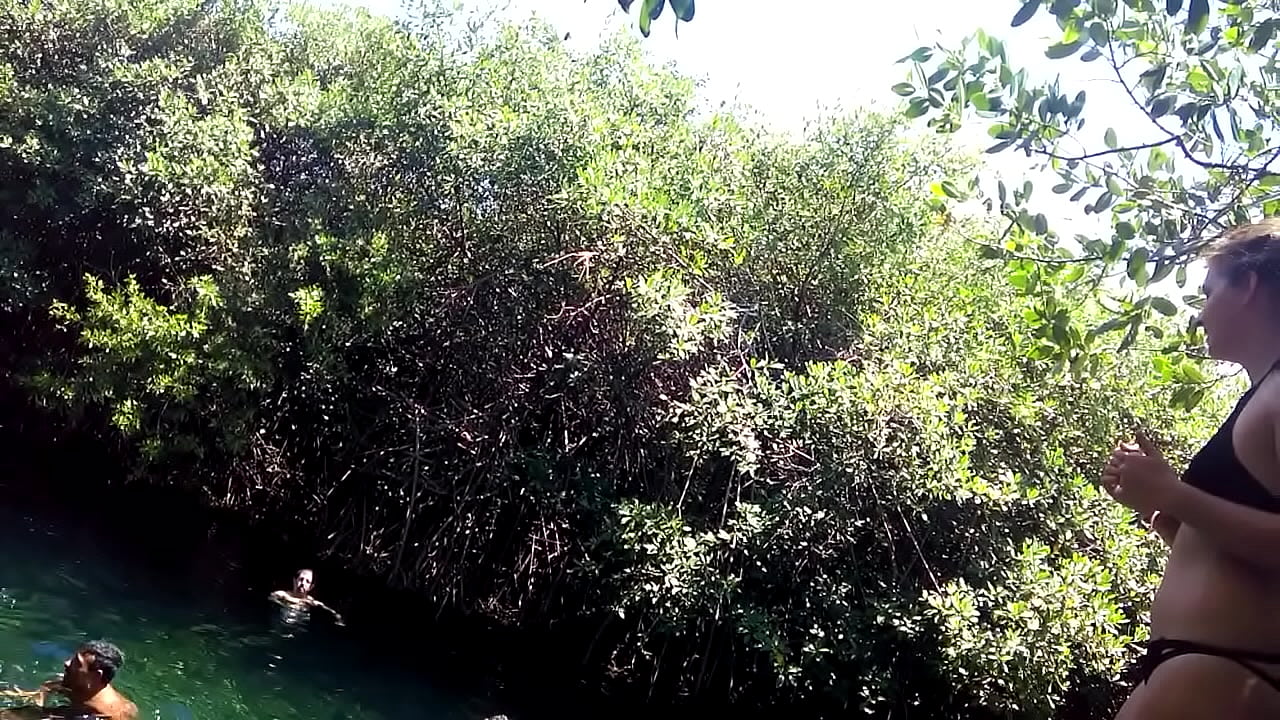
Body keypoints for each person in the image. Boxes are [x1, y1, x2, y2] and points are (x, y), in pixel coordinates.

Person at [1103, 219, 1280, 719]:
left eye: (1207, 294)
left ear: (1247, 286)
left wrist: (1174, 494)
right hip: (1204, 672)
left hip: (1222, 674)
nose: (1199, 317)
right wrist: (1165, 514)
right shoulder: (1261, 396)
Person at [0, 640, 137, 719]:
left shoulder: (107, 714)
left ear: (96, 675)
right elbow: (50, 685)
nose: (66, 662)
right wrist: (37, 697)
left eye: (77, 662)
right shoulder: (85, 683)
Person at [269, 568, 344, 626]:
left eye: (307, 581)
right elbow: (271, 597)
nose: (303, 583)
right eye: (301, 579)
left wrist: (338, 618)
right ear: (294, 580)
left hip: (299, 628)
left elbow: (329, 610)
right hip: (280, 624)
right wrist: (293, 600)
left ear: (311, 587)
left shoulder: (310, 601)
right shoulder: (283, 594)